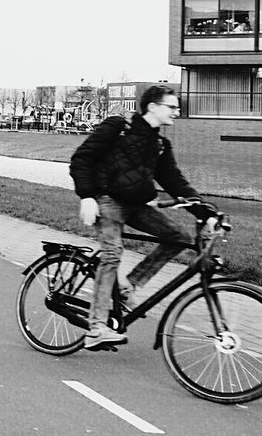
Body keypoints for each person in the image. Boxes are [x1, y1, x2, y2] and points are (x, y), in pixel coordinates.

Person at [69, 84, 200, 350]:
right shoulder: (119, 127)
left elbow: (174, 181)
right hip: (105, 200)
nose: (177, 111)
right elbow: (81, 159)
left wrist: (205, 210)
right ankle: (96, 328)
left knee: (179, 237)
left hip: (135, 204)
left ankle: (129, 286)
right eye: (172, 107)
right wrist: (86, 196)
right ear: (153, 107)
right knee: (112, 253)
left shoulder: (160, 144)